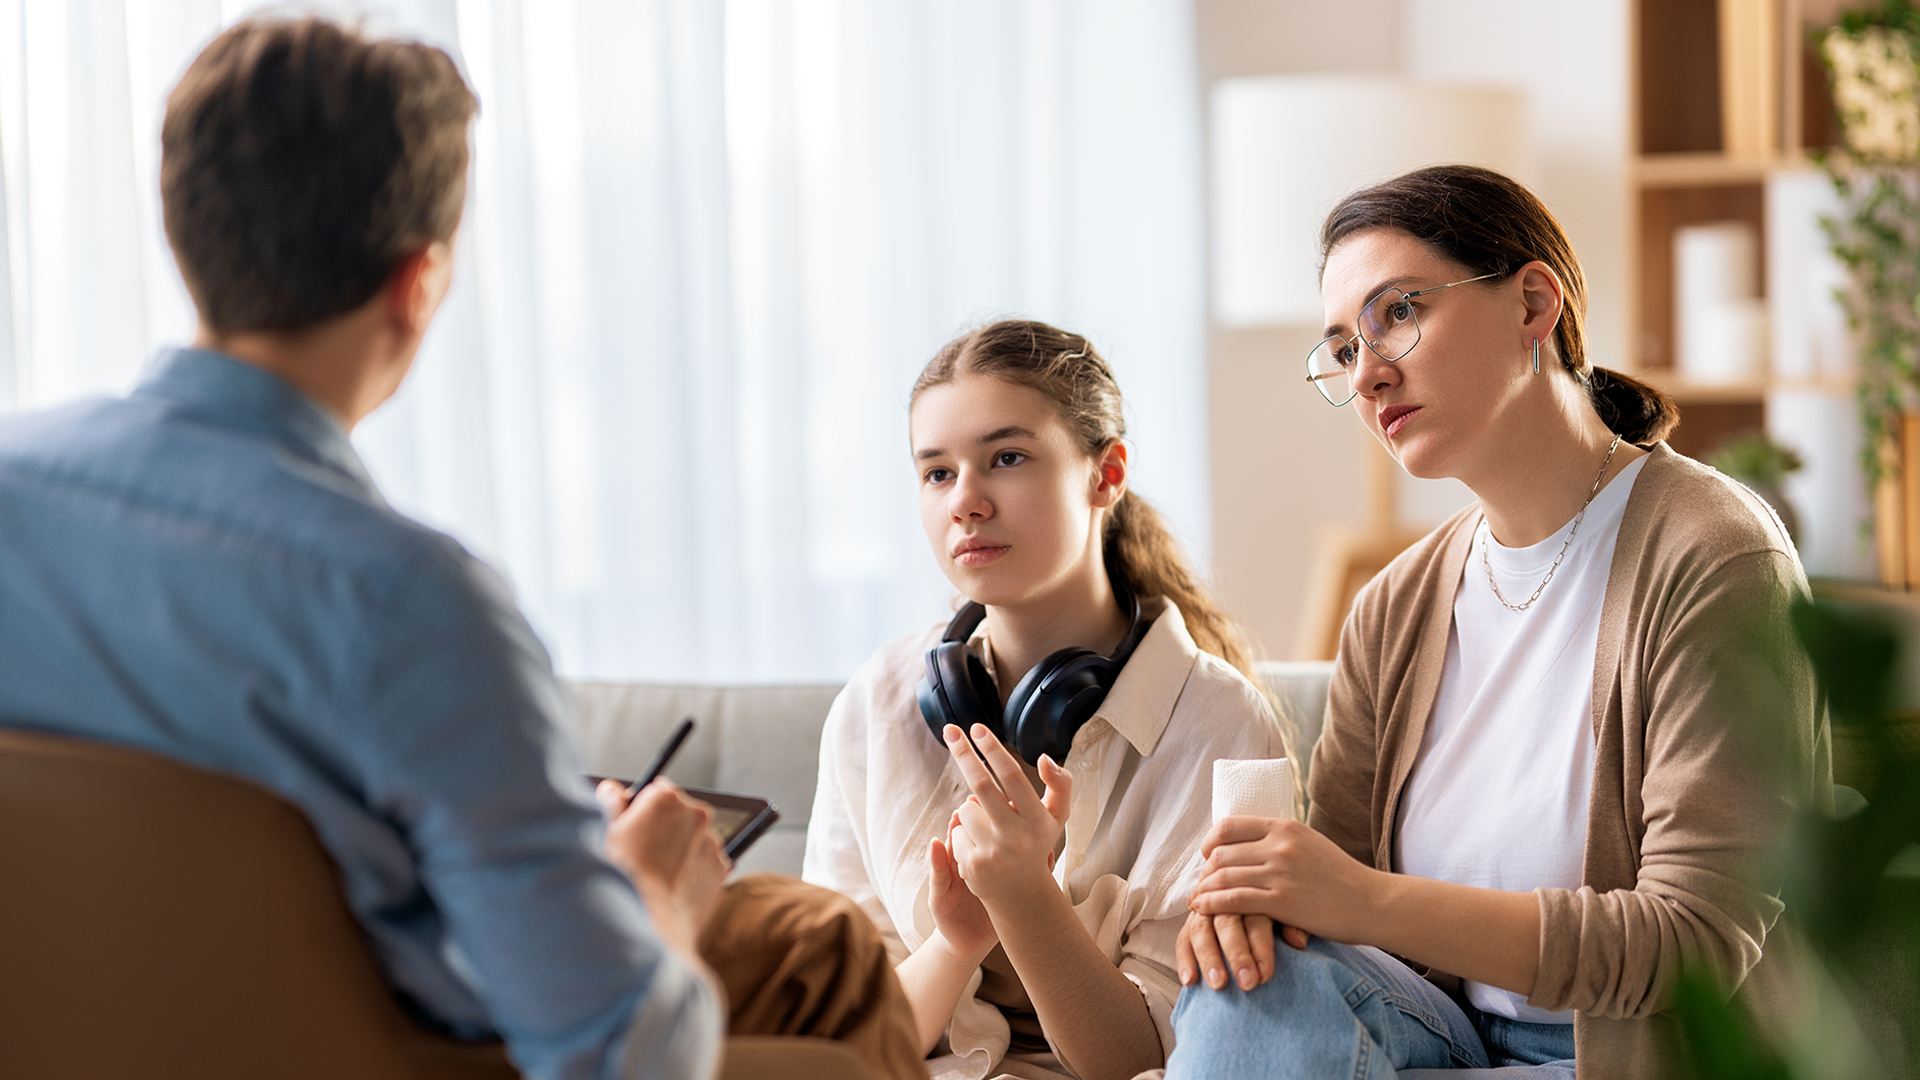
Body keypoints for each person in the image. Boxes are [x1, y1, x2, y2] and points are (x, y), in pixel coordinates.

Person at [0, 17, 919, 1080]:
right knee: (821, 952)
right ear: (418, 283)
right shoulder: (405, 602)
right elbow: (623, 1060)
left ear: (184, 236)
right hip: (379, 1045)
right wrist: (652, 893)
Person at [1163, 164, 1828, 1079]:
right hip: (1443, 1035)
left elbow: (1696, 942)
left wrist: (1361, 899)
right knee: (1245, 988)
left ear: (1533, 305)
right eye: (1344, 350)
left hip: (1624, 1054)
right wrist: (1254, 918)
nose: (1370, 374)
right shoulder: (1393, 608)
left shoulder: (1713, 554)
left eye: (1398, 312)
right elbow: (1331, 926)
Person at [802, 319, 1290, 1080]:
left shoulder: (1219, 725)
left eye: (1006, 458)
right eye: (937, 473)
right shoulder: (879, 702)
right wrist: (957, 939)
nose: (965, 502)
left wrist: (1026, 899)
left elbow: (1151, 1057)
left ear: (1106, 474)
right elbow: (842, 1041)